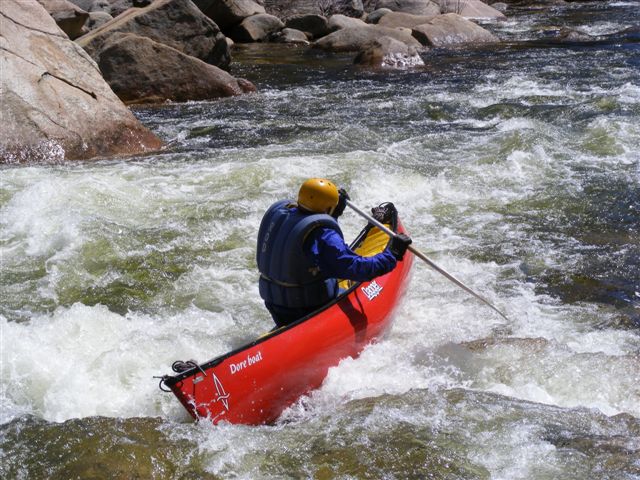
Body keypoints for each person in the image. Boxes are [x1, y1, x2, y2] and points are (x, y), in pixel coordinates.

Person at [256, 178, 412, 327]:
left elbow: (309, 248)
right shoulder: (324, 236)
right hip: (309, 306)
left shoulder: (281, 216)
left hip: (275, 305)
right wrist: (392, 254)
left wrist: (334, 215)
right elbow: (354, 268)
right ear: (328, 208)